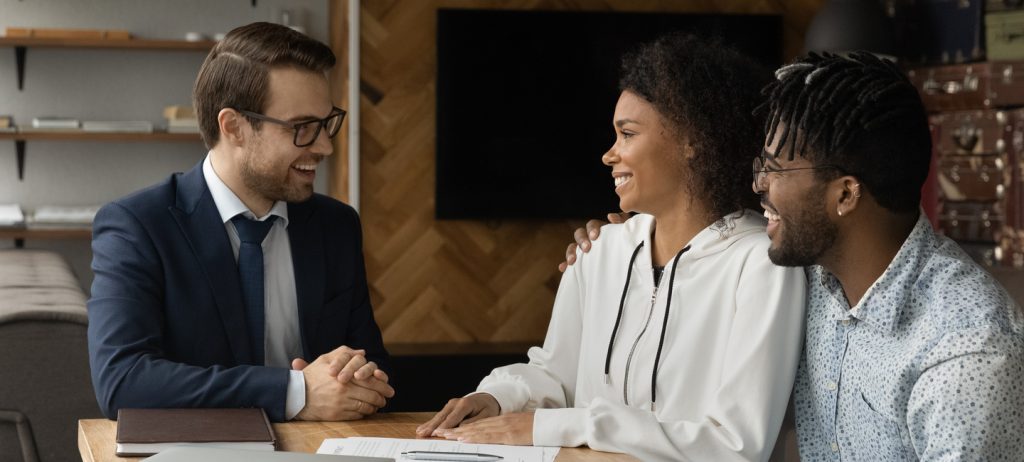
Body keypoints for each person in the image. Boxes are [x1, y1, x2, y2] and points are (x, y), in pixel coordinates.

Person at [569, 52, 1024, 460]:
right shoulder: (811, 277)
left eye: (776, 169)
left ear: (845, 194)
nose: (757, 185)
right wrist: (619, 241)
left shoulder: (966, 355)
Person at [416, 34, 807, 461]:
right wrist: (496, 398)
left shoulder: (763, 265)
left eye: (627, 134)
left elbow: (736, 445)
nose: (609, 154)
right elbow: (555, 374)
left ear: (693, 140)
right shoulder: (600, 251)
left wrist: (570, 424)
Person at [88, 22, 393, 423]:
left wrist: (362, 378)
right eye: (302, 128)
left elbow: (374, 367)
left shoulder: (336, 225)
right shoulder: (137, 227)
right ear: (233, 127)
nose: (325, 146)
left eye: (326, 123)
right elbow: (122, 381)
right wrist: (295, 391)